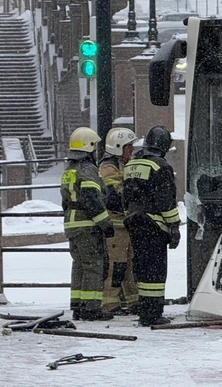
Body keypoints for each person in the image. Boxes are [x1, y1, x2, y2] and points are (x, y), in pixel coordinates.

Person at [124, 125, 181, 327]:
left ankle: (145, 310)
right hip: (153, 226)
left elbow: (126, 197)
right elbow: (166, 201)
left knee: (142, 268)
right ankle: (153, 313)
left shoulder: (132, 164)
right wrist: (174, 226)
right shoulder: (161, 166)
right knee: (155, 272)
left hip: (134, 223)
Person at [61, 127, 114, 321]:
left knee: (79, 266)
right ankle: (92, 308)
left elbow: (65, 201)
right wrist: (105, 224)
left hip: (72, 225)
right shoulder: (88, 170)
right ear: (89, 146)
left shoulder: (69, 170)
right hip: (87, 225)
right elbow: (92, 199)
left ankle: (78, 305)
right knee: (93, 265)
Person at [99, 127, 139, 315]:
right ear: (118, 147)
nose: (132, 151)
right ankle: (109, 303)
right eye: (128, 147)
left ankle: (133, 301)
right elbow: (115, 196)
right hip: (115, 227)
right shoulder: (108, 168)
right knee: (116, 266)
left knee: (130, 266)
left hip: (125, 226)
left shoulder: (123, 165)